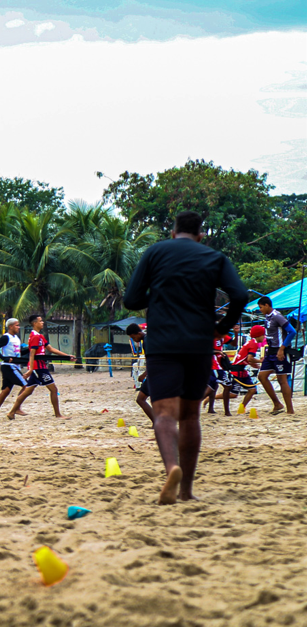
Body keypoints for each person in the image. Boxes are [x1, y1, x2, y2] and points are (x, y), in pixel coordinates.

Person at [123, 211, 249, 504]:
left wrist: (157, 296)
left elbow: (131, 299)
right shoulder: (214, 257)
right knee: (191, 415)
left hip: (163, 342)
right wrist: (221, 328)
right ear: (200, 235)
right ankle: (187, 491)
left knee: (165, 413)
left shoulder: (155, 252)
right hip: (199, 341)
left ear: (172, 233)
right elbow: (240, 296)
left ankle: (171, 467)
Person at [6, 314, 74, 419]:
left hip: (40, 367)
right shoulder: (35, 336)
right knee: (53, 390)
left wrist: (67, 356)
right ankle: (58, 415)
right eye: (40, 321)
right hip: (38, 368)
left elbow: (51, 349)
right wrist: (31, 369)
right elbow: (32, 353)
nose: (42, 323)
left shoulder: (40, 336)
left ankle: (11, 412)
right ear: (34, 323)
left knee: (28, 391)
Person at [255, 297, 295, 415]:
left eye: (261, 307)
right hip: (270, 350)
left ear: (267, 305)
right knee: (262, 376)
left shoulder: (277, 316)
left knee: (282, 380)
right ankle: (277, 403)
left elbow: (292, 332)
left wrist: (282, 349)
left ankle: (290, 410)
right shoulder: (267, 317)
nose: (260, 309)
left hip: (280, 350)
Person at [0, 317, 29, 418]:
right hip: (9, 367)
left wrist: (30, 349)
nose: (19, 327)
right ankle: (17, 408)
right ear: (10, 326)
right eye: (17, 325)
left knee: (6, 390)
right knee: (26, 386)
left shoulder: (16, 338)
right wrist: (4, 358)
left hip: (14, 366)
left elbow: (18, 353)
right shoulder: (6, 337)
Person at [226, 327, 265, 413]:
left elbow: (248, 361)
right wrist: (260, 361)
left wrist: (260, 367)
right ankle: (211, 397)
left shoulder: (251, 343)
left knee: (252, 390)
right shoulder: (254, 344)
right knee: (233, 394)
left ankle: (242, 408)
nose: (264, 337)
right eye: (263, 335)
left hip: (242, 370)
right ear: (258, 335)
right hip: (236, 371)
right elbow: (250, 359)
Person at [124, 323, 155, 422]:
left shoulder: (146, 342)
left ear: (138, 333)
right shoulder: (149, 338)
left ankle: (156, 422)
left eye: (133, 337)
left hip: (154, 374)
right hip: (159, 373)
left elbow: (153, 360)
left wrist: (144, 374)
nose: (134, 340)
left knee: (140, 399)